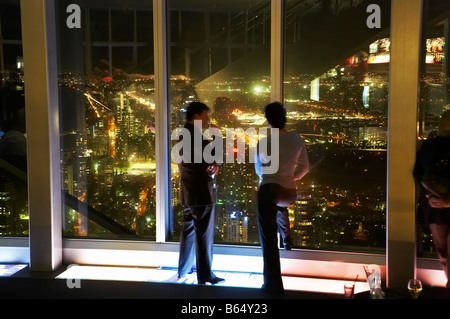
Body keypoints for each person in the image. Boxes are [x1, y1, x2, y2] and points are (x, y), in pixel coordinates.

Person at [255, 102, 309, 294]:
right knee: (279, 205)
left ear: (267, 119)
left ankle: (272, 285)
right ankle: (286, 236)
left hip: (270, 189)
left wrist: (275, 177)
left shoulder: (263, 142)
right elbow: (305, 168)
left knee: (268, 240)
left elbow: (259, 171)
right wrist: (290, 177)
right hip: (289, 193)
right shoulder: (297, 139)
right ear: (284, 118)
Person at [177, 101, 225, 285]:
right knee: (204, 234)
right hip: (201, 192)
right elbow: (212, 157)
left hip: (189, 192)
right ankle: (205, 275)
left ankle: (183, 269)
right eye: (206, 115)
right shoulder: (194, 136)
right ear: (196, 115)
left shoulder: (185, 134)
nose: (208, 119)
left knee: (188, 231)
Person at [414, 110, 450, 288]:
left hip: (435, 210)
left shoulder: (429, 147)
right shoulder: (430, 147)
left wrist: (431, 197)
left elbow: (418, 175)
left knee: (443, 253)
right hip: (439, 208)